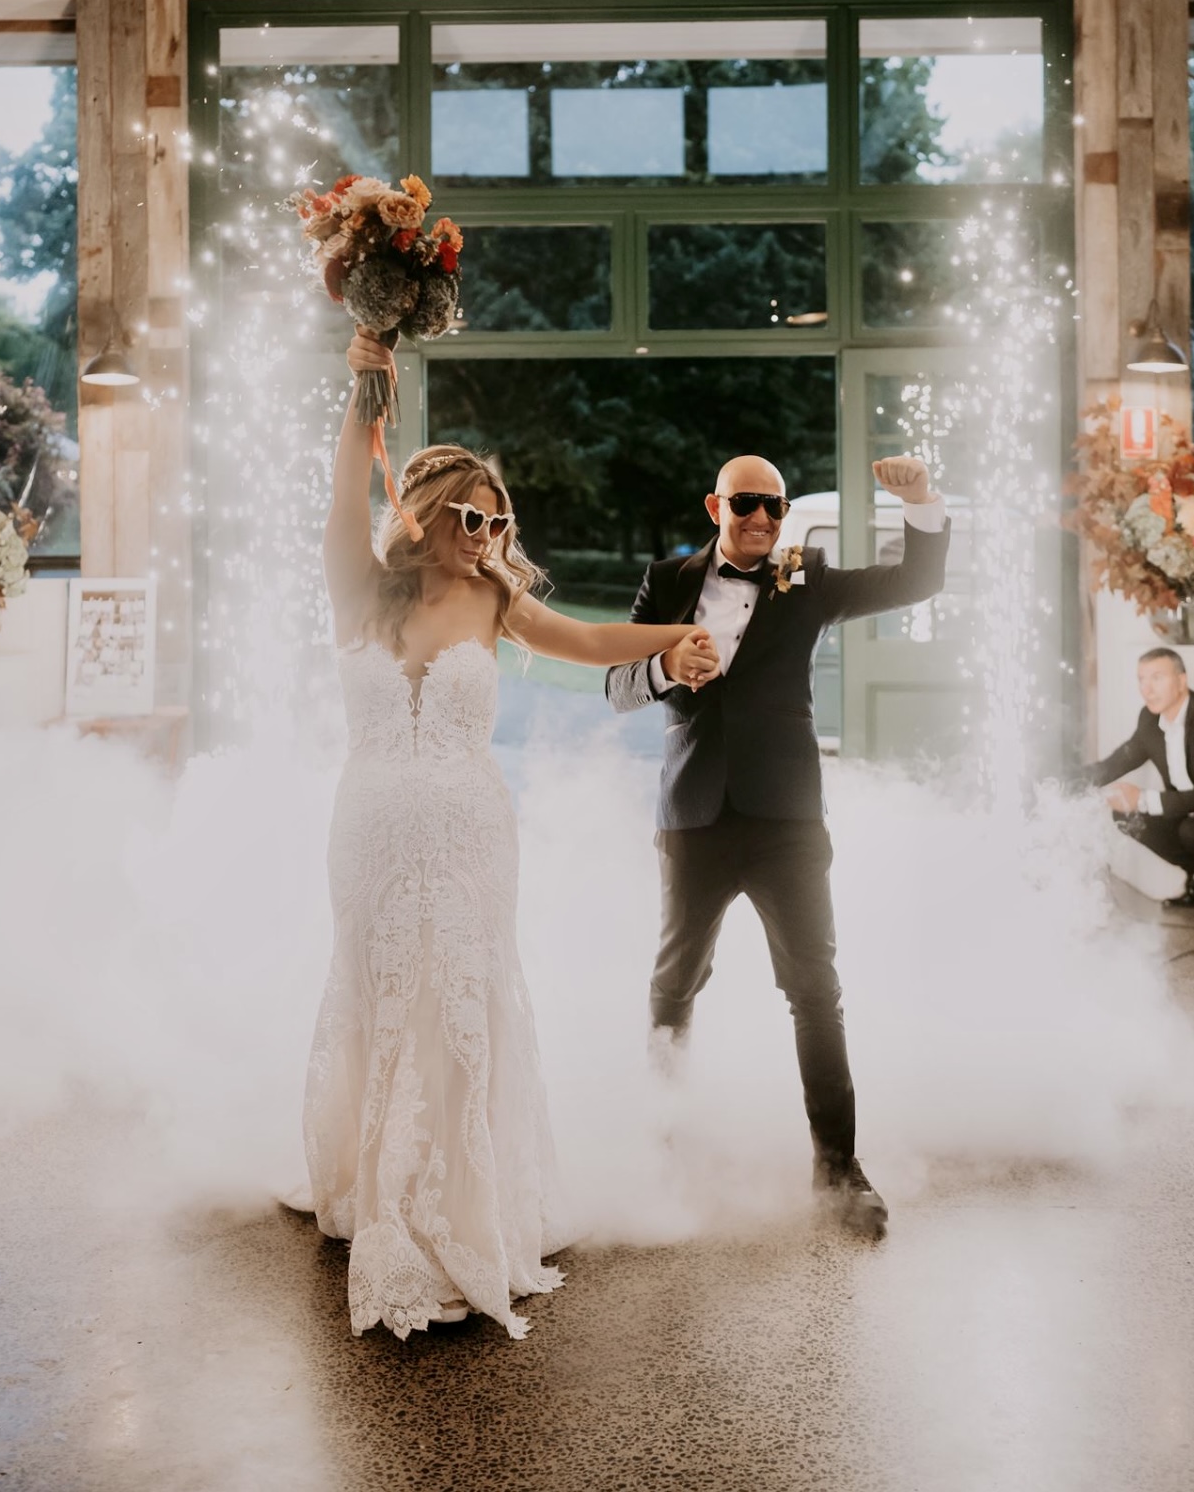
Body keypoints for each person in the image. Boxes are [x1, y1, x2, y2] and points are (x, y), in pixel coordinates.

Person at [303, 326, 717, 1341]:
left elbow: (589, 639)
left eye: (498, 520)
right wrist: (363, 384)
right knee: (378, 985)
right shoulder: (359, 587)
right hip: (367, 831)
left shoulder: (495, 598)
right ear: (428, 512)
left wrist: (677, 638)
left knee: (457, 994)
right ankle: (373, 1180)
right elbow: (343, 493)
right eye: (472, 516)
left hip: (469, 836)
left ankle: (454, 1203)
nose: (486, 533)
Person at [605, 453, 949, 1234]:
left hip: (787, 821)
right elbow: (617, 686)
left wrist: (921, 501)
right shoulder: (664, 581)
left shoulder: (807, 578)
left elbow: (913, 581)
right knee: (673, 986)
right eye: (746, 503)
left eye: (774, 505)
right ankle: (664, 1149)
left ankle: (838, 1169)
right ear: (714, 507)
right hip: (692, 817)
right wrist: (663, 666)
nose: (761, 517)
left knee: (814, 990)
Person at [1084, 647, 1194, 908]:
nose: (1147, 689)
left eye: (1157, 678)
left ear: (1181, 681)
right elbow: (1116, 763)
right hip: (1185, 812)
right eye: (1141, 679)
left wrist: (1143, 799)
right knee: (1125, 816)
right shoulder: (1149, 718)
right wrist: (1066, 783)